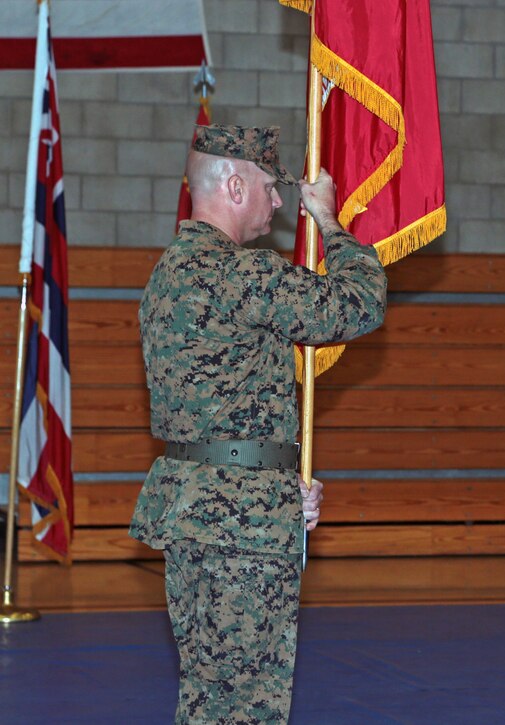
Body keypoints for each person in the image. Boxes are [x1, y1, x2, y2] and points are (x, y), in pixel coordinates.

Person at [130, 124, 388, 723]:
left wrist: (275, 476)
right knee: (248, 705)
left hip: (197, 511)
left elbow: (221, 411)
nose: (280, 202)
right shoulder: (242, 273)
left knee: (208, 696)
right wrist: (328, 221)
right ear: (236, 185)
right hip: (241, 529)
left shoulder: (166, 275)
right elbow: (359, 304)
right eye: (272, 188)